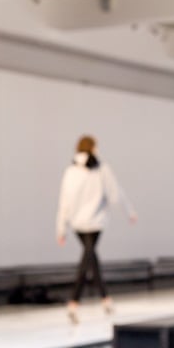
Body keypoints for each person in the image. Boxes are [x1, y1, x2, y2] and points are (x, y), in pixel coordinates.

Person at [55, 135, 137, 324]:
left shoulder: (71, 171)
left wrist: (61, 228)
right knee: (89, 259)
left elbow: (64, 201)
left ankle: (97, 300)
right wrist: (129, 211)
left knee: (89, 257)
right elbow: (115, 193)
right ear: (93, 148)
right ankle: (78, 301)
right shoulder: (101, 169)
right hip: (95, 222)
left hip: (78, 223)